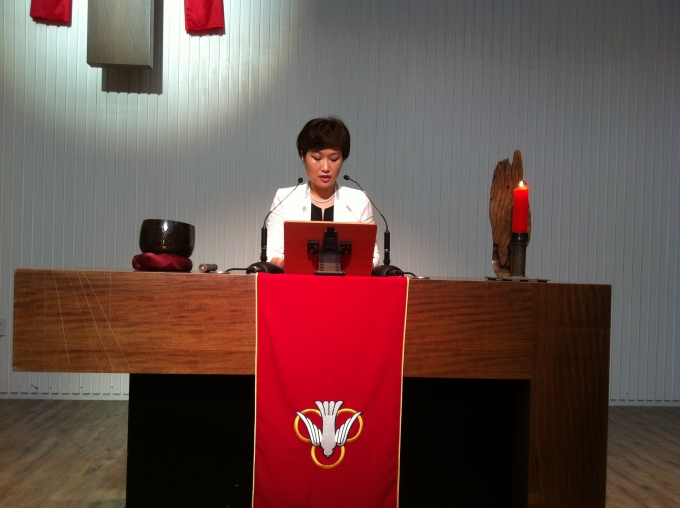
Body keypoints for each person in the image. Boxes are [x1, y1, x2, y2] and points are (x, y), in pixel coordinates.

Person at [266, 117, 381, 268]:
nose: (325, 167)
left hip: (345, 281)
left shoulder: (358, 200)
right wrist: (289, 264)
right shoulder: (285, 198)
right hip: (297, 280)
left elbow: (372, 255)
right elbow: (271, 253)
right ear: (302, 156)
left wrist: (360, 264)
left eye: (334, 159)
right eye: (317, 158)